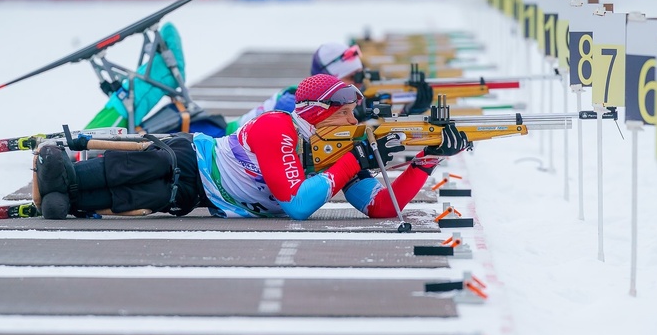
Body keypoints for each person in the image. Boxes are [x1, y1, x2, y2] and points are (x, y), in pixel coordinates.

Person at [32, 73, 471, 221]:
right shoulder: (277, 128)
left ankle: (65, 199)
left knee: (133, 199)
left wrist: (424, 162)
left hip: (201, 198)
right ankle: (64, 174)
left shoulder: (337, 153)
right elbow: (297, 206)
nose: (356, 121)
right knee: (136, 170)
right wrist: (351, 163)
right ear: (323, 111)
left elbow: (382, 207)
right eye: (348, 112)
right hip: (191, 158)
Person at [224, 43, 365, 133]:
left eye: (361, 76)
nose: (359, 84)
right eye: (353, 77)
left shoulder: (312, 99)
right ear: (329, 77)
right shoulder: (293, 104)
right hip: (222, 136)